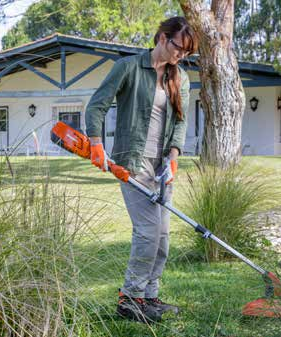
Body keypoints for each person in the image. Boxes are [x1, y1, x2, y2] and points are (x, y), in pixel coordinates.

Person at [85, 16, 198, 323]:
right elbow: (97, 105)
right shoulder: (129, 67)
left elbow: (181, 120)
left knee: (162, 237)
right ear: (162, 38)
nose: (181, 56)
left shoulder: (181, 79)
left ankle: (149, 298)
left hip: (162, 167)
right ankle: (129, 299)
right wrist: (96, 142)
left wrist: (173, 157)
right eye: (179, 48)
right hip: (132, 162)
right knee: (148, 232)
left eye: (187, 53)